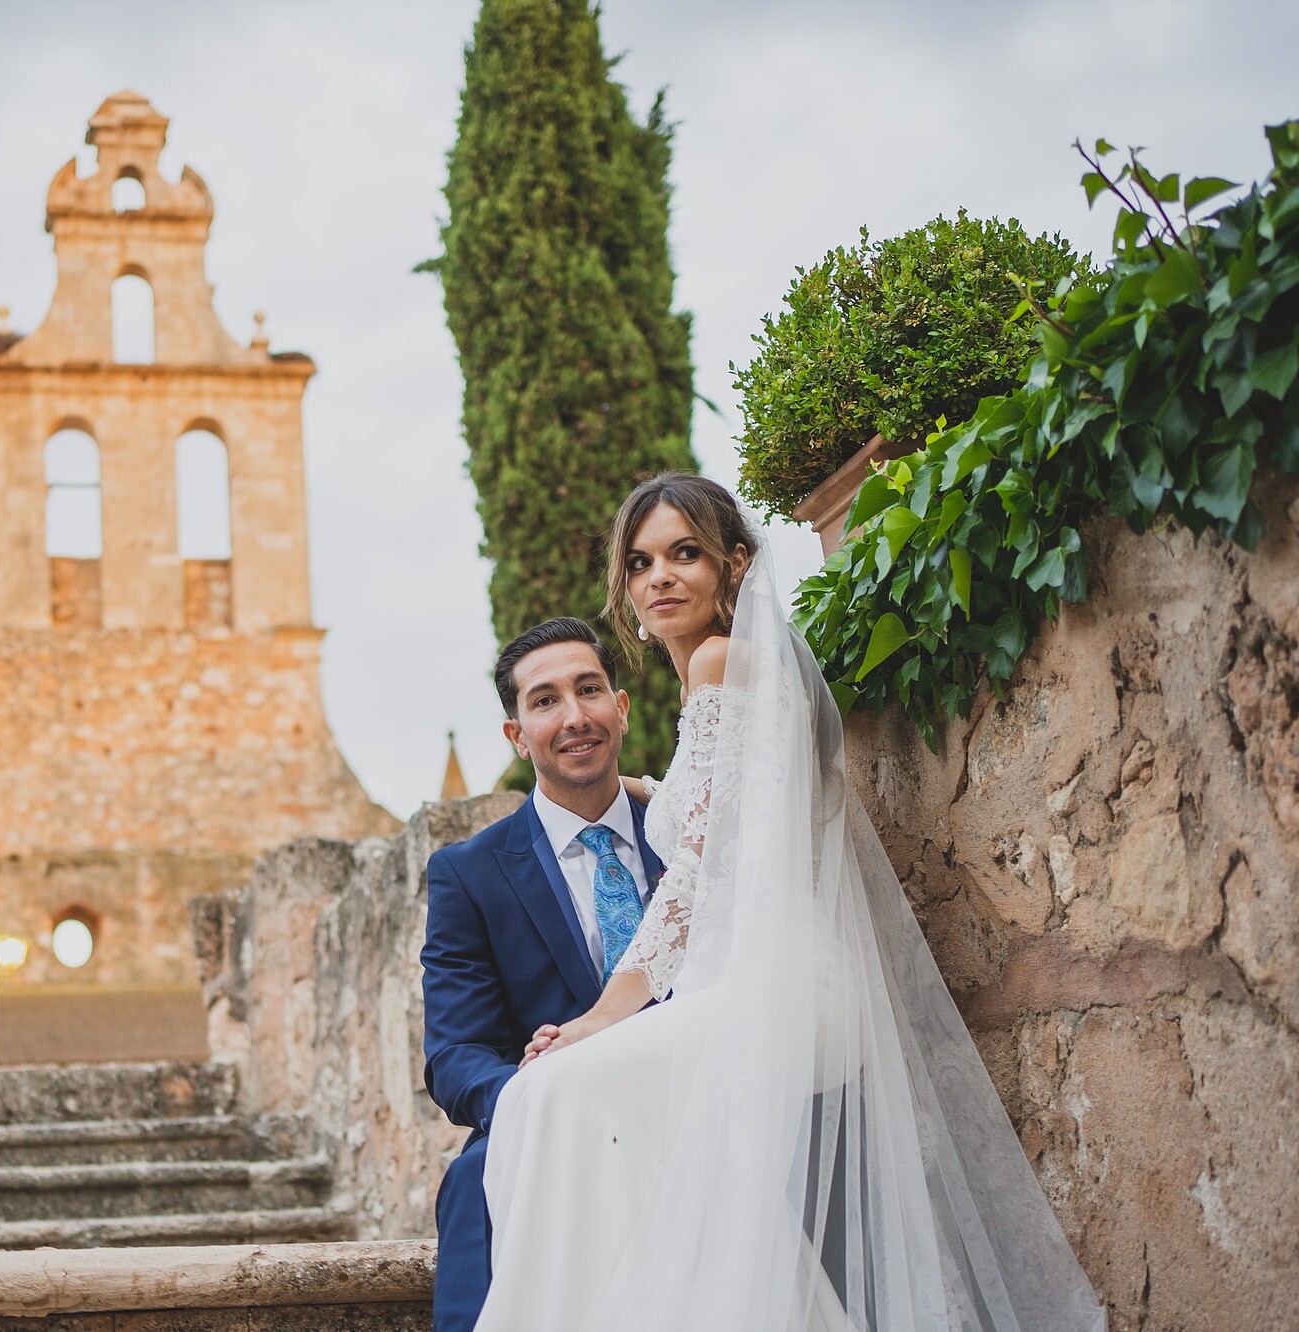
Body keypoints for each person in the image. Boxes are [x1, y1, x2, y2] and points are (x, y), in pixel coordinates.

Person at [433, 472, 1108, 1331]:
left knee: (552, 1095)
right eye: (641, 563)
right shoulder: (727, 679)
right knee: (559, 1109)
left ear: (735, 563)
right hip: (750, 983)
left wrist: (601, 1017)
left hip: (779, 986)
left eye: (685, 553)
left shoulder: (720, 662)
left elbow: (695, 877)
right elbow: (729, 803)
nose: (660, 577)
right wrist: (646, 790)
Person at [420, 612, 668, 1332]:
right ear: (517, 735)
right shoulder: (468, 875)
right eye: (545, 700)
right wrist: (538, 1095)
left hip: (695, 1096)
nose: (574, 716)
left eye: (589, 690)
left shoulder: (688, 837)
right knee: (475, 1178)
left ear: (619, 709)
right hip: (550, 1121)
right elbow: (456, 1055)